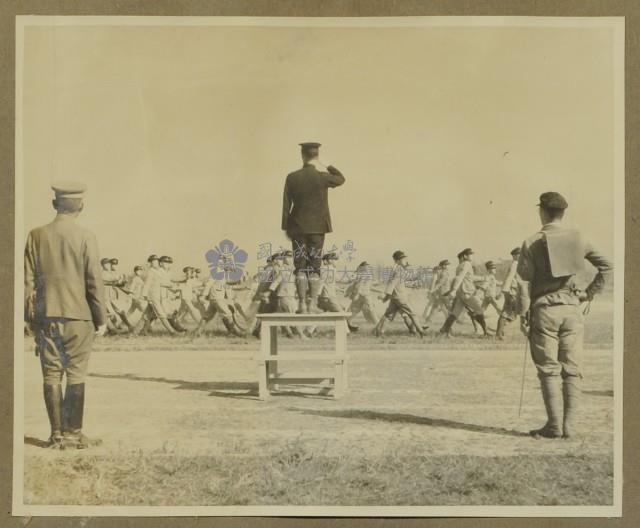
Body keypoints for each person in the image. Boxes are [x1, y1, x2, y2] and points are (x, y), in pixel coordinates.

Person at [517, 192, 612, 439]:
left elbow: (523, 283)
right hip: (572, 309)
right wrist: (588, 293)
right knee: (572, 368)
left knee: (548, 369)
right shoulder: (579, 238)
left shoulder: (532, 242)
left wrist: (522, 314)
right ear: (562, 212)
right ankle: (569, 427)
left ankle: (554, 426)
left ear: (542, 211)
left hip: (544, 309)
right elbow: (607, 266)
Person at [24, 183, 107, 449]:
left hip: (47, 316)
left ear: (54, 205)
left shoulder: (36, 235)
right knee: (76, 375)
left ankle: (56, 435)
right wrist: (101, 319)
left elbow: (27, 283)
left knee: (50, 375)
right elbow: (94, 281)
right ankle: (73, 434)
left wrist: (31, 318)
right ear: (80, 207)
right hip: (78, 317)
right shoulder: (86, 236)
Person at [282, 142, 345, 313]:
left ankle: (302, 304)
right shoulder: (323, 176)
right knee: (315, 264)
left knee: (300, 265)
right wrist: (327, 164)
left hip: (297, 228)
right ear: (316, 157)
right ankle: (313, 303)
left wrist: (286, 227)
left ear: (302, 156)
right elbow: (341, 178)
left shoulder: (292, 177)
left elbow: (286, 204)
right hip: (318, 228)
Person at [438, 248, 489, 337]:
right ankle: (485, 332)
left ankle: (444, 330)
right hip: (466, 293)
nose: (472, 256)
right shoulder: (467, 264)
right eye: (470, 254)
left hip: (460, 294)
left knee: (455, 314)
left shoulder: (460, 266)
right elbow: (460, 278)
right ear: (465, 256)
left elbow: (469, 277)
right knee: (479, 310)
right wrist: (453, 290)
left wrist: (483, 278)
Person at [374, 250, 425, 338]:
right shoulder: (398, 271)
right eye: (402, 259)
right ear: (397, 261)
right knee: (413, 314)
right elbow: (392, 284)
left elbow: (403, 281)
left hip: (395, 298)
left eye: (405, 259)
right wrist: (385, 295)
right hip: (401, 298)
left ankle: (380, 333)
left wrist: (415, 279)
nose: (405, 261)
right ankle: (421, 332)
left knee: (388, 315)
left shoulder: (398, 269)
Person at [495, 247, 525, 340]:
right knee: (510, 313)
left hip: (512, 291)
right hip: (512, 292)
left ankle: (500, 331)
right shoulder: (515, 265)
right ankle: (499, 333)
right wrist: (506, 291)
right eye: (519, 254)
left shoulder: (516, 264)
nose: (521, 256)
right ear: (515, 256)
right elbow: (509, 278)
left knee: (509, 312)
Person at [346, 261, 379, 329]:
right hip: (363, 295)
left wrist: (379, 291)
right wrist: (356, 294)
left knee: (354, 310)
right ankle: (378, 324)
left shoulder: (363, 275)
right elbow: (359, 285)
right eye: (367, 267)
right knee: (369, 309)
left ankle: (346, 323)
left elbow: (368, 287)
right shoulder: (365, 275)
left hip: (362, 295)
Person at [422, 259, 453, 325]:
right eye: (447, 265)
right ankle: (448, 327)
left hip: (442, 294)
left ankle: (426, 324)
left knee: (435, 310)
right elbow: (440, 283)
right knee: (450, 310)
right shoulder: (444, 273)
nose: (448, 266)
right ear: (443, 266)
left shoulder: (441, 272)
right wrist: (433, 290)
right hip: (444, 294)